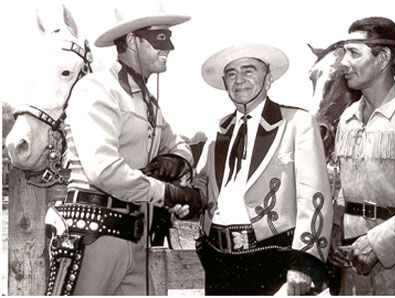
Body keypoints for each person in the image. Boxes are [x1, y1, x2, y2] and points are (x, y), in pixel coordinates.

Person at [45, 4, 203, 296]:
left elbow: (180, 145)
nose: (170, 46)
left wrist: (175, 161)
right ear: (131, 40)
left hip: (134, 236)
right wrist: (167, 193)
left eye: (168, 37)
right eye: (160, 38)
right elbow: (103, 170)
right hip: (94, 235)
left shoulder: (147, 103)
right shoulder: (96, 88)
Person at [192, 43, 333, 295]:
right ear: (224, 83)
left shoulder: (297, 123)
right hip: (217, 260)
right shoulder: (218, 130)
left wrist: (304, 261)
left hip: (273, 259)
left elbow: (314, 197)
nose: (239, 80)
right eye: (232, 73)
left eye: (249, 70)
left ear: (268, 79)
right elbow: (203, 189)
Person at [329, 17, 395, 295]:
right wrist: (334, 227)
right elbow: (343, 186)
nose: (343, 63)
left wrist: (381, 242)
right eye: (345, 52)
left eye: (354, 53)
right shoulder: (347, 117)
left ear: (382, 58)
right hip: (351, 262)